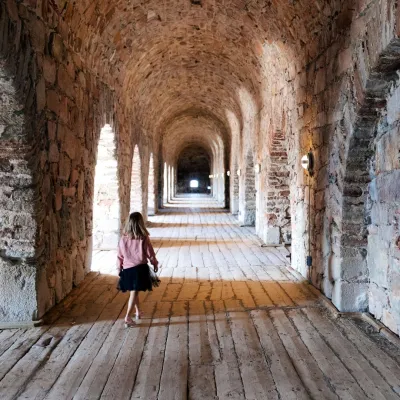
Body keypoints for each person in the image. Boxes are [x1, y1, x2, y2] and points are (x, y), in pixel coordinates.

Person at [117, 212, 159, 328]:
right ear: (141, 223)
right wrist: (154, 263)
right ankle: (127, 317)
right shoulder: (144, 238)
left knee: (134, 291)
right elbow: (150, 252)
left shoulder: (123, 239)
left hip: (127, 269)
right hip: (139, 269)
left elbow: (119, 255)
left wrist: (118, 267)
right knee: (134, 292)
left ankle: (138, 311)